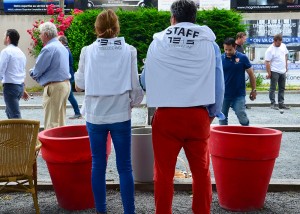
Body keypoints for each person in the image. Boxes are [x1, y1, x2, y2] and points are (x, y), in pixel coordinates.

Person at [141, 0, 224, 213]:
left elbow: (146, 81)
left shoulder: (158, 42)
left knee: (163, 173)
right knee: (201, 172)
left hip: (167, 116)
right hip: (198, 115)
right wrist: (212, 113)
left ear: (173, 19)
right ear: (194, 19)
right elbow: (218, 82)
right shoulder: (209, 42)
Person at [75, 9, 144, 214]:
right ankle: (129, 211)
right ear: (117, 28)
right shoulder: (129, 50)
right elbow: (135, 86)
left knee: (98, 164)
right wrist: (133, 102)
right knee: (125, 166)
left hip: (95, 115)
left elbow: (79, 84)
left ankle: (101, 210)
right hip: (121, 113)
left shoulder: (87, 51)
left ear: (96, 28)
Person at [30, 22, 71, 130]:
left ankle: (52, 146)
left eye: (40, 33)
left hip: (54, 86)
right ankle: (61, 145)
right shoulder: (62, 47)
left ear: (46, 34)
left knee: (51, 122)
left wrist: (32, 73)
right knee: (61, 121)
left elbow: (38, 70)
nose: (39, 36)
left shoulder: (48, 48)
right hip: (65, 84)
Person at [220, 37, 257, 126]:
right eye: (226, 49)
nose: (227, 52)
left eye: (230, 50)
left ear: (235, 47)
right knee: (222, 118)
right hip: (223, 95)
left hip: (238, 94)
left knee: (241, 115)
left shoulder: (242, 58)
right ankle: (223, 138)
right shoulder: (220, 58)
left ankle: (247, 133)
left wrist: (254, 90)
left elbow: (251, 74)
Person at [0, 29, 29, 119]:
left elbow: (1, 69)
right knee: (9, 111)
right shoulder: (21, 53)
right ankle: (12, 132)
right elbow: (22, 72)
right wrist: (23, 89)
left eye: (5, 36)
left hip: (10, 87)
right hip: (19, 87)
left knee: (14, 115)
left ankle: (20, 133)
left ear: (8, 38)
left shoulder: (6, 52)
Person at [58, 35, 82, 119]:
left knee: (69, 95)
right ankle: (75, 112)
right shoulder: (67, 49)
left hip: (67, 76)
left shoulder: (64, 50)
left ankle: (77, 112)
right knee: (68, 95)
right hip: (69, 75)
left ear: (61, 41)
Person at [265, 34, 290, 110]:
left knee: (282, 88)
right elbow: (267, 62)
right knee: (273, 88)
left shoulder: (283, 46)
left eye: (280, 42)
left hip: (283, 70)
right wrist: (269, 73)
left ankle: (281, 103)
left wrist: (286, 66)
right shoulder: (270, 50)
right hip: (274, 70)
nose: (279, 44)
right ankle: (273, 103)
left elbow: (285, 56)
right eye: (278, 43)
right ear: (274, 41)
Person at [235, 32, 251, 109]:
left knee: (242, 88)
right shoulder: (234, 47)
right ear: (239, 38)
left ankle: (242, 103)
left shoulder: (241, 47)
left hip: (242, 71)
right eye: (244, 39)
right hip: (236, 72)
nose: (245, 41)